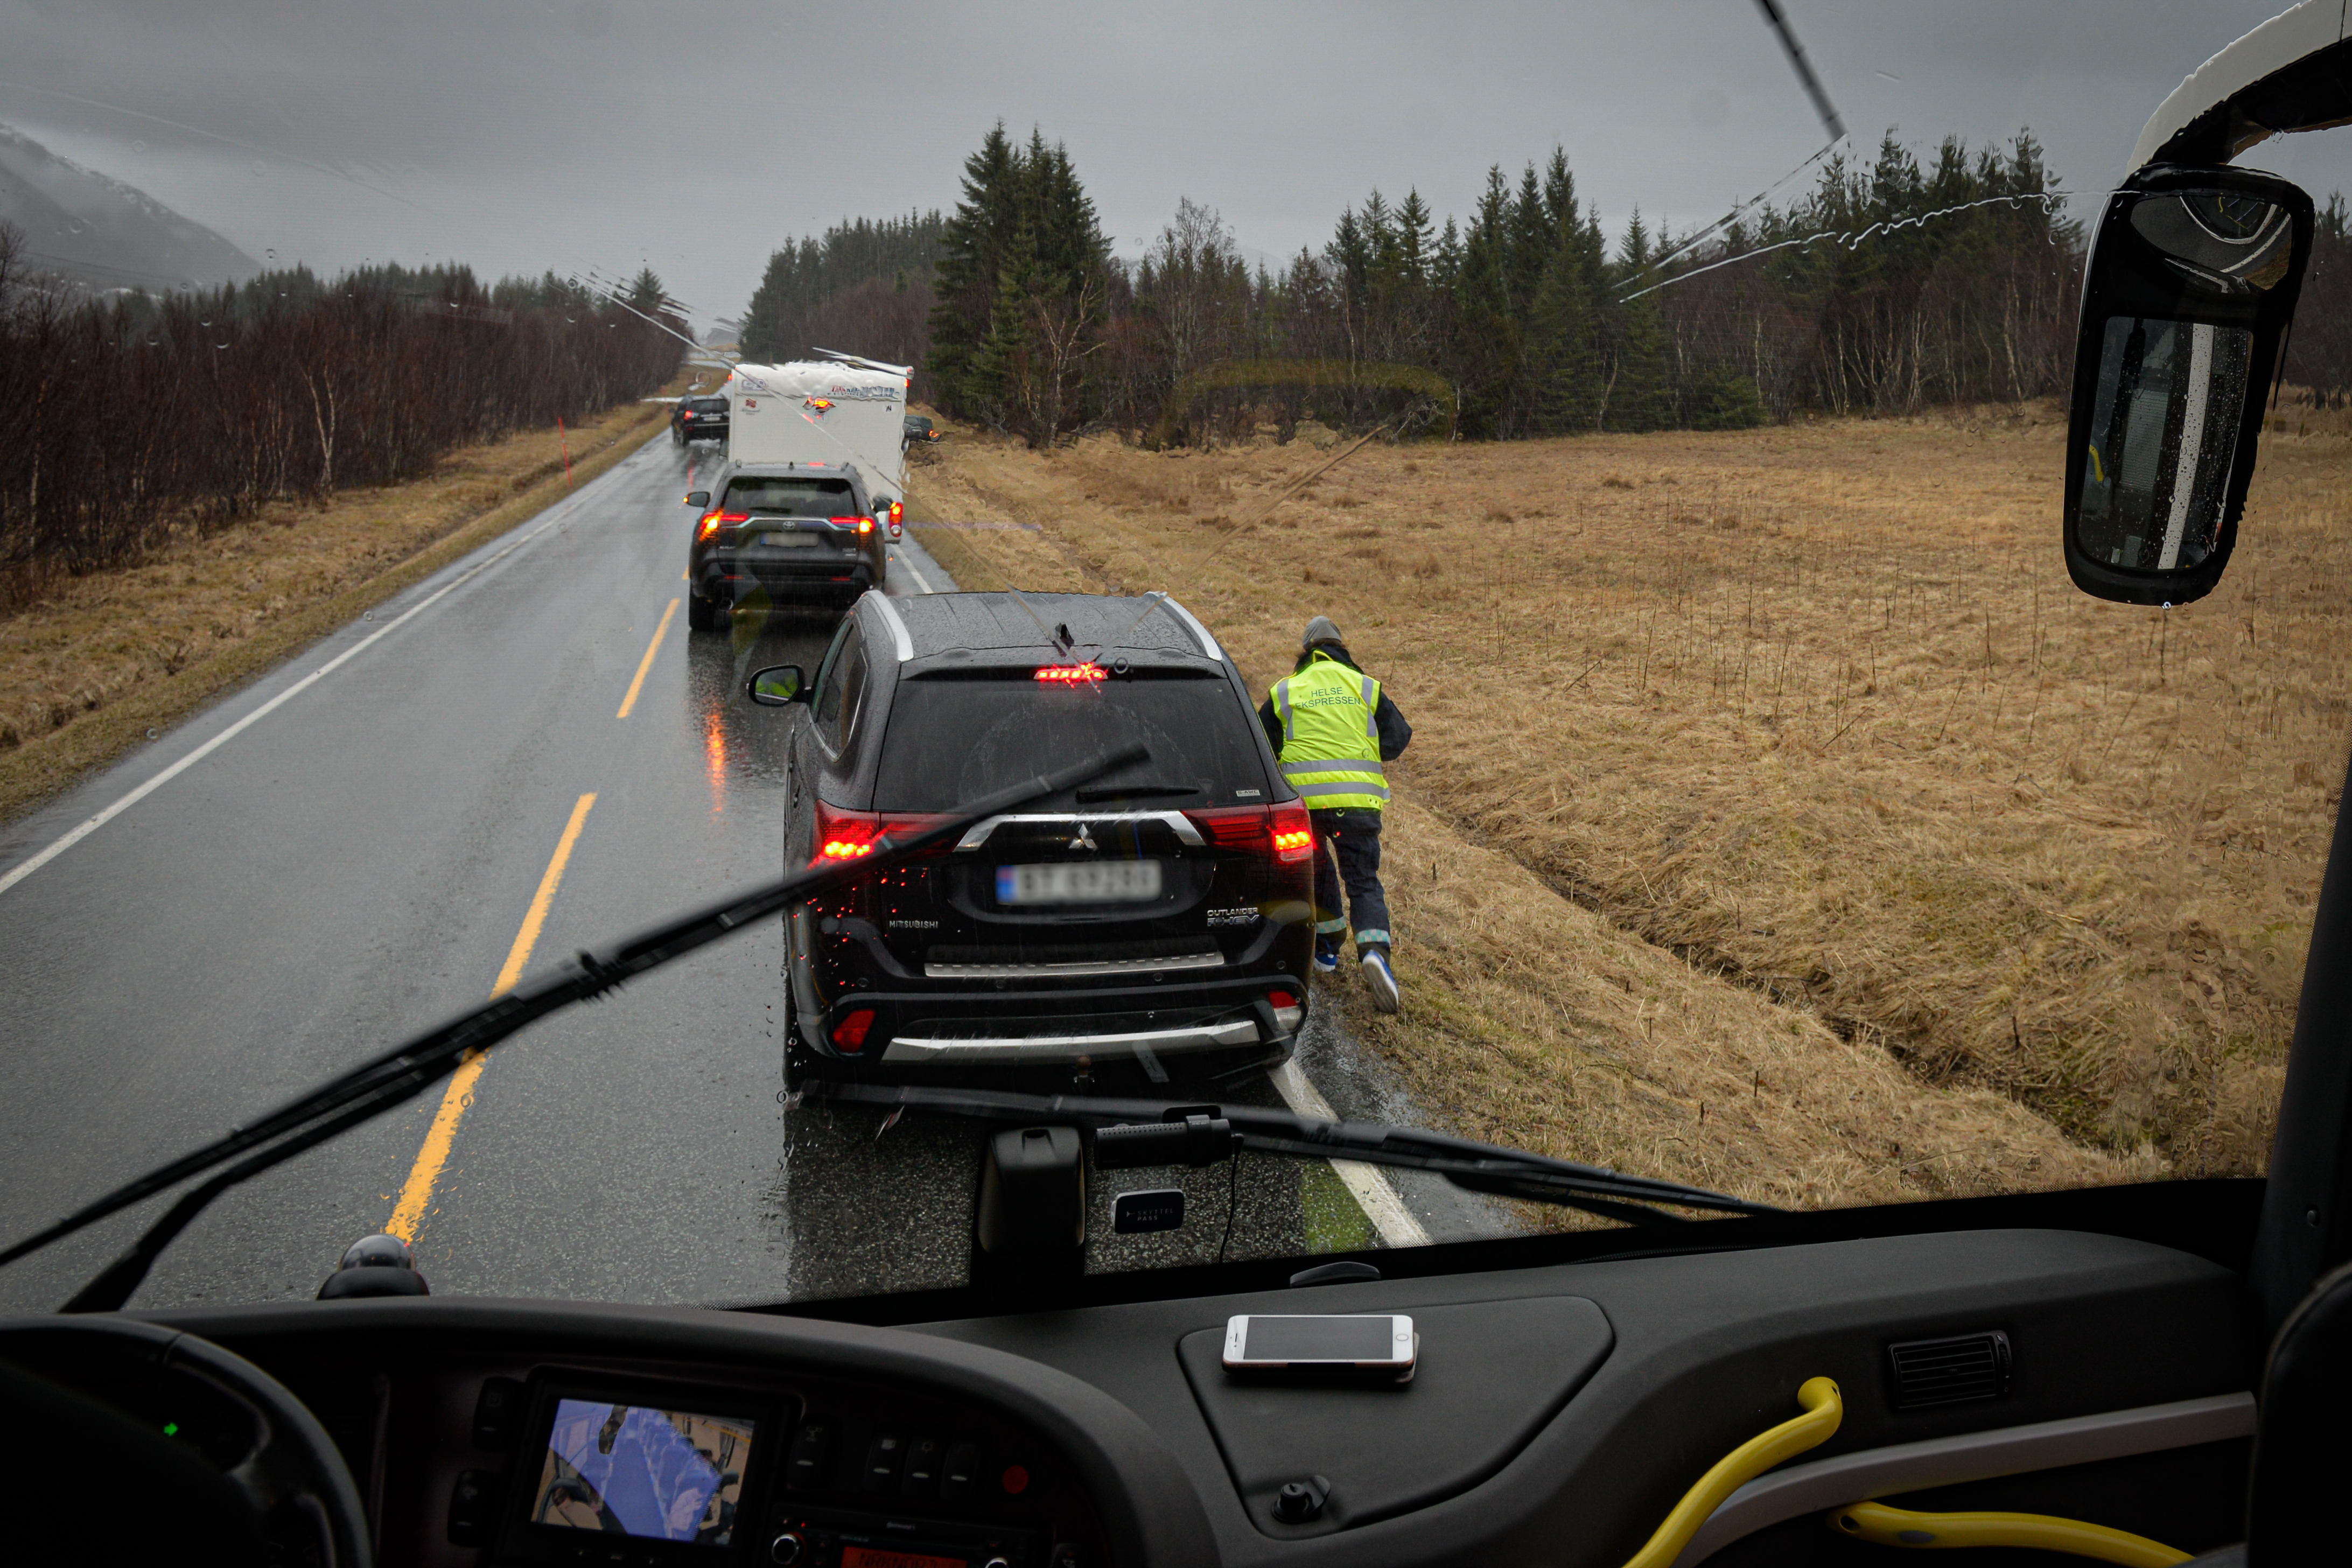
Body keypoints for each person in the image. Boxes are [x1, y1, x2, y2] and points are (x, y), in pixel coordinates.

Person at [1260, 616, 1411, 1012]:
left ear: (1306, 650)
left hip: (1305, 806)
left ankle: (1326, 951)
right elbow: (1399, 738)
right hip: (1359, 803)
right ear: (1342, 648)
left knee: (1318, 870)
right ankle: (1375, 952)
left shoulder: (1285, 691)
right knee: (1363, 882)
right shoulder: (1365, 687)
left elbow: (1263, 747)